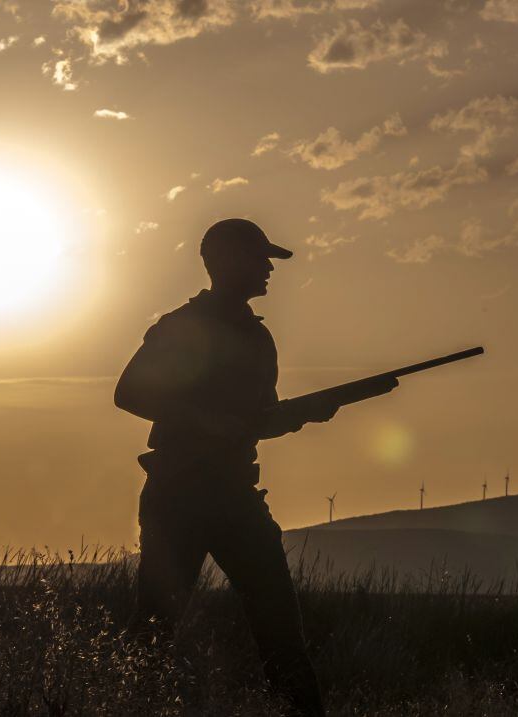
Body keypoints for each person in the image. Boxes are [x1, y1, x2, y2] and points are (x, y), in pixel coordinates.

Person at [114, 218, 396, 716]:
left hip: (237, 497)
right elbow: (129, 392)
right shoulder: (184, 326)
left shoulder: (258, 338)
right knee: (154, 630)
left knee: (281, 630)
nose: (268, 268)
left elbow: (258, 422)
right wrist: (206, 420)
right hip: (179, 497)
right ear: (225, 261)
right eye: (259, 257)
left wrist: (305, 413)